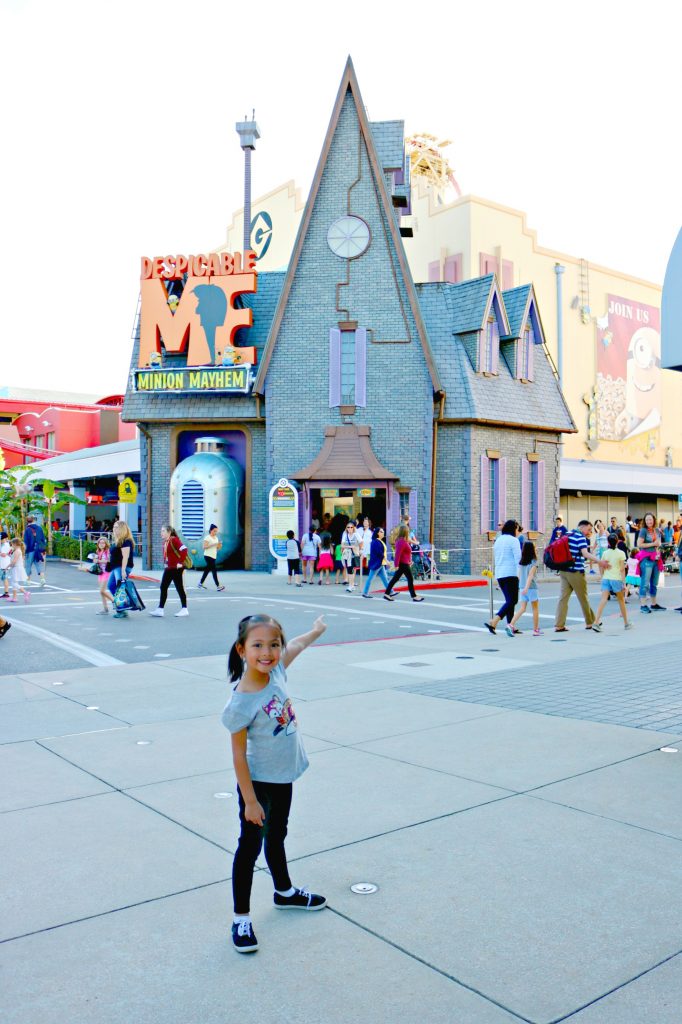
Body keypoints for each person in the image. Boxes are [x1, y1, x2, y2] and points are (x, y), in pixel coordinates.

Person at [222, 612, 328, 953]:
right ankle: (241, 918)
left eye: (273, 645)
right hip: (258, 784)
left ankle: (284, 892)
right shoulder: (241, 700)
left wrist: (314, 631)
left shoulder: (277, 668)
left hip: (283, 777)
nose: (266, 652)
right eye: (257, 646)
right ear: (241, 650)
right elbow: (238, 756)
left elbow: (295, 644)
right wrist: (250, 801)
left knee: (278, 835)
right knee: (249, 847)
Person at [554, 520, 609, 632]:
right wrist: (600, 561)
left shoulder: (567, 534)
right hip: (576, 571)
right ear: (582, 527)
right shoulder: (580, 537)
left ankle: (559, 625)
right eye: (588, 529)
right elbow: (585, 554)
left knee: (563, 598)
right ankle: (590, 622)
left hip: (564, 570)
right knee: (583, 597)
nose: (589, 532)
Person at [485, 520, 522, 636]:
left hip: (500, 573)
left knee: (509, 601)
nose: (518, 531)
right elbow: (518, 559)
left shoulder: (498, 540)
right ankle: (494, 621)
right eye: (517, 528)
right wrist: (521, 575)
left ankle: (510, 625)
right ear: (513, 529)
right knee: (513, 600)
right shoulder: (514, 541)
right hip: (511, 573)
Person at [592, 534, 632, 631]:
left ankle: (596, 622)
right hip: (616, 579)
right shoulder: (621, 553)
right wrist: (624, 583)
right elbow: (622, 569)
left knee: (603, 599)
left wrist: (602, 576)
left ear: (608, 542)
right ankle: (626, 623)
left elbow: (601, 565)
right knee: (621, 600)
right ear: (618, 541)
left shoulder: (605, 553)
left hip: (606, 578)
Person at [150, 525, 189, 616]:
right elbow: (169, 555)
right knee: (177, 587)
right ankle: (182, 608)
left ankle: (162, 609)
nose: (161, 533)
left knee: (165, 587)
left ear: (169, 532)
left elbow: (184, 549)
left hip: (175, 568)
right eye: (161, 531)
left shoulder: (174, 540)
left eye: (163, 531)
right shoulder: (166, 541)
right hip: (170, 567)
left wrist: (180, 562)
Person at [384, 524, 424, 602]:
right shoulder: (401, 541)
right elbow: (398, 554)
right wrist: (396, 565)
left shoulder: (403, 540)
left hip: (405, 563)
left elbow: (405, 553)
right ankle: (414, 596)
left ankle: (387, 593)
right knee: (409, 578)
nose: (409, 532)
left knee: (395, 579)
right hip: (403, 564)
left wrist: (409, 561)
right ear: (405, 532)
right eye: (408, 531)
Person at [511, 540, 542, 635]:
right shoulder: (534, 562)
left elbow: (519, 575)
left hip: (522, 587)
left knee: (522, 608)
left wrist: (522, 587)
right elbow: (530, 576)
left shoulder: (522, 561)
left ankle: (511, 624)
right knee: (535, 608)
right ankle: (536, 630)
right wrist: (527, 588)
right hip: (531, 587)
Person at [637, 512, 665, 613]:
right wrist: (653, 543)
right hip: (646, 559)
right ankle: (643, 605)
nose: (649, 521)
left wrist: (657, 548)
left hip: (656, 559)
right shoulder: (643, 530)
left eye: (651, 519)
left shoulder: (657, 530)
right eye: (647, 519)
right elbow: (639, 544)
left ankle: (654, 604)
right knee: (645, 583)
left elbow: (658, 543)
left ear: (654, 520)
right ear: (645, 521)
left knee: (654, 583)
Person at [108, 520, 135, 619]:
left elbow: (126, 556)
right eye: (114, 527)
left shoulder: (126, 541)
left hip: (121, 567)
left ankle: (122, 610)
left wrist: (123, 570)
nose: (114, 529)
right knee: (111, 586)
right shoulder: (118, 540)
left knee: (119, 588)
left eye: (116, 527)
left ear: (122, 529)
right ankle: (122, 606)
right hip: (116, 567)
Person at [362, 527, 391, 598]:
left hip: (380, 563)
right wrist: (387, 561)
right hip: (377, 563)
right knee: (370, 578)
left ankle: (391, 591)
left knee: (385, 578)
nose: (383, 533)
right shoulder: (375, 541)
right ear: (377, 533)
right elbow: (379, 553)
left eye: (383, 531)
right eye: (381, 532)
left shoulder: (379, 541)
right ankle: (365, 593)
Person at [198, 524, 225, 591]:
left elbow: (217, 548)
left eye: (216, 531)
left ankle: (200, 583)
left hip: (213, 556)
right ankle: (218, 586)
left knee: (207, 570)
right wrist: (213, 544)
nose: (215, 532)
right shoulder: (207, 537)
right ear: (211, 530)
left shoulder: (216, 538)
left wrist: (219, 545)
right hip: (208, 555)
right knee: (214, 570)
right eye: (214, 531)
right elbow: (204, 547)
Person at [23, 515, 47, 586]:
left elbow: (26, 541)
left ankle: (28, 581)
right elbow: (43, 539)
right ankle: (42, 579)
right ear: (34, 520)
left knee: (28, 565)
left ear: (27, 521)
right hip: (38, 550)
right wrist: (43, 550)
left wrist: (24, 552)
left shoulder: (27, 529)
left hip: (30, 550)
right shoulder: (39, 528)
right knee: (38, 564)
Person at [93, 536, 114, 614]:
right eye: (100, 543)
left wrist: (99, 560)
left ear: (106, 544)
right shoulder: (98, 551)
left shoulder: (107, 551)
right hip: (100, 573)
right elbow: (95, 560)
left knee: (102, 590)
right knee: (102, 592)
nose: (101, 544)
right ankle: (105, 609)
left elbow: (109, 560)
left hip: (107, 573)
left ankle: (114, 602)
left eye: (103, 543)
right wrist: (95, 560)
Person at [341, 521, 361, 592]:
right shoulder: (345, 535)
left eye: (351, 527)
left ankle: (351, 585)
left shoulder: (356, 534)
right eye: (348, 527)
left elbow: (361, 542)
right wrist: (351, 546)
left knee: (352, 569)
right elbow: (342, 545)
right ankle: (351, 585)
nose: (350, 528)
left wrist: (360, 550)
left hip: (354, 554)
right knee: (349, 569)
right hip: (347, 554)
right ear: (346, 528)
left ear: (353, 528)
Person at [8, 539, 30, 603]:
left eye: (12, 544)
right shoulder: (18, 550)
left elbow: (14, 561)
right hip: (17, 568)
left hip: (16, 568)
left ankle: (25, 592)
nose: (11, 545)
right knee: (14, 582)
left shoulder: (17, 551)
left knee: (13, 583)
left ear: (15, 544)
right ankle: (14, 598)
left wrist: (8, 566)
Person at [0, 532, 10, 599]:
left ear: (5, 538)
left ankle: (6, 593)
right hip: (3, 564)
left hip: (4, 565)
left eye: (2, 539)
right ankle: (6, 592)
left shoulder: (5, 545)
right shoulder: (3, 544)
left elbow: (3, 554)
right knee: (4, 578)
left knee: (5, 578)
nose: (1, 540)